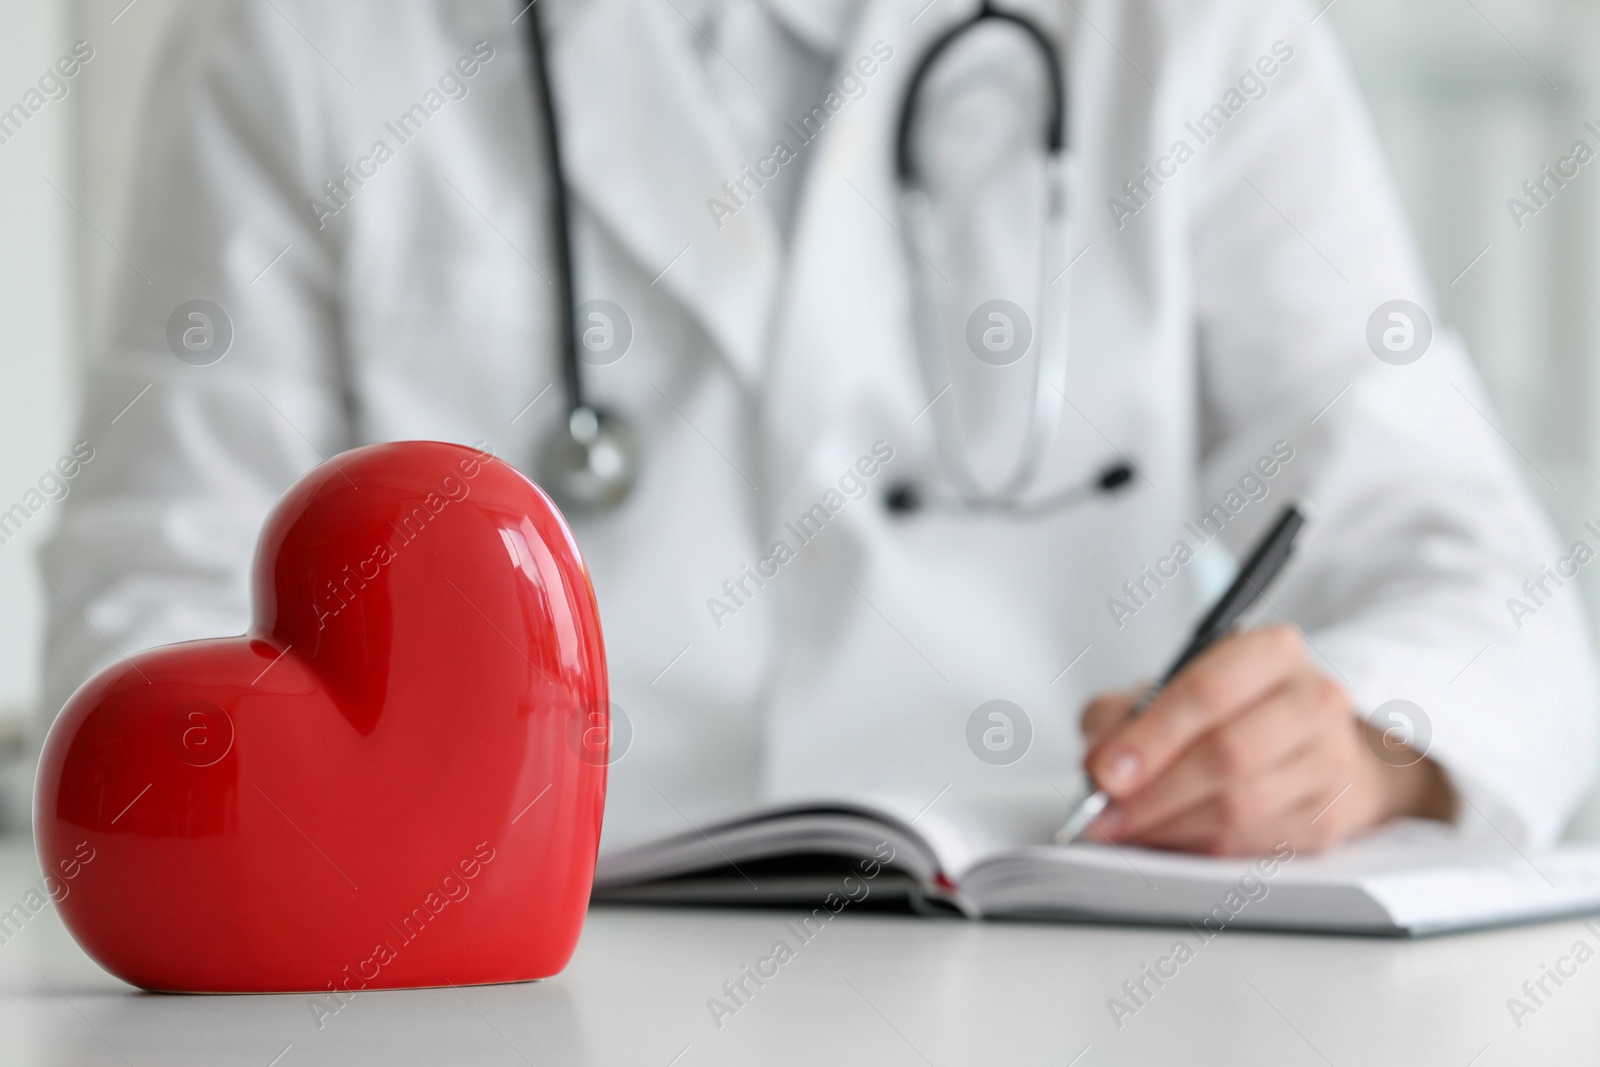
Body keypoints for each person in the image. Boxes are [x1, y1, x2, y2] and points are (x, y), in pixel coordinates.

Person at [40, 0, 1597, 857]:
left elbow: (1484, 584)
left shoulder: (1192, 37)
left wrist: (1369, 746)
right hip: (504, 998)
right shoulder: (299, 45)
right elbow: (144, 632)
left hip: (1060, 968)